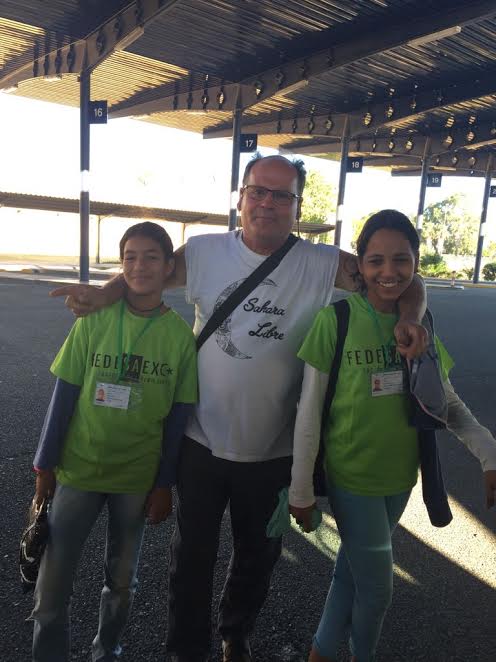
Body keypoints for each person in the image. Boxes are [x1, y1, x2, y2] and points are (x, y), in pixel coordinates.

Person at [50, 155, 428, 662]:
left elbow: (399, 276)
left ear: (297, 206)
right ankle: (187, 649)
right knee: (193, 557)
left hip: (274, 449)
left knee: (258, 555)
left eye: (281, 195)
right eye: (259, 191)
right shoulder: (205, 252)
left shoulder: (320, 263)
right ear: (241, 196)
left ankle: (234, 632)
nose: (267, 203)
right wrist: (103, 292)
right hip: (201, 440)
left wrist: (411, 317)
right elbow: (149, 275)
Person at [288, 210, 496, 662]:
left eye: (401, 260)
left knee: (352, 574)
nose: (389, 272)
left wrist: (488, 453)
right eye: (376, 260)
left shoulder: (421, 328)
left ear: (416, 262)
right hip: (351, 479)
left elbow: (445, 401)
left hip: (400, 480)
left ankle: (321, 652)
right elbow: (308, 414)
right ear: (358, 265)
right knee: (378, 591)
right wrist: (301, 487)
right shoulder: (335, 321)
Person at [29, 222, 198, 662]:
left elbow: (179, 417)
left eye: (151, 257)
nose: (139, 266)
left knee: (122, 582)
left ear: (168, 268)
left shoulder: (180, 338)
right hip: (78, 469)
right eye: (130, 257)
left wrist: (164, 483)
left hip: (136, 477)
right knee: (52, 586)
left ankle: (107, 651)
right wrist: (44, 467)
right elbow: (64, 393)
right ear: (121, 267)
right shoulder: (95, 319)